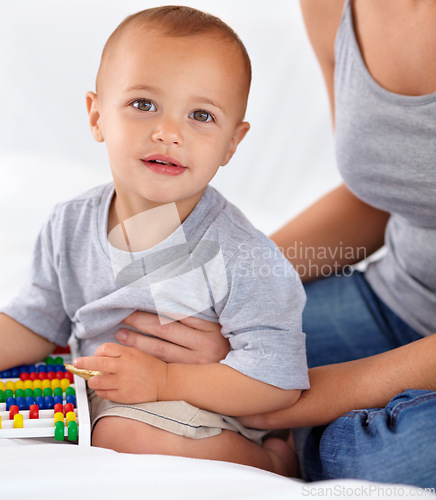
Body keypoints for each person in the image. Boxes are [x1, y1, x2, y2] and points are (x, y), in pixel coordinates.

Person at [110, 0, 436, 489]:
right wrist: (228, 287)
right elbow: (383, 192)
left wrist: (283, 398)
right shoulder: (333, 8)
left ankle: (297, 445)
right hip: (399, 301)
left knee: (399, 457)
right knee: (160, 343)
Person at [0, 6, 310, 476]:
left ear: (232, 143)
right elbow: (37, 320)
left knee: (119, 435)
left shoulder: (241, 254)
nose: (168, 133)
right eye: (144, 104)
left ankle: (270, 460)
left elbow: (278, 383)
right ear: (97, 115)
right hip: (104, 390)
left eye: (201, 115)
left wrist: (165, 379)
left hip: (201, 401)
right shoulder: (69, 223)